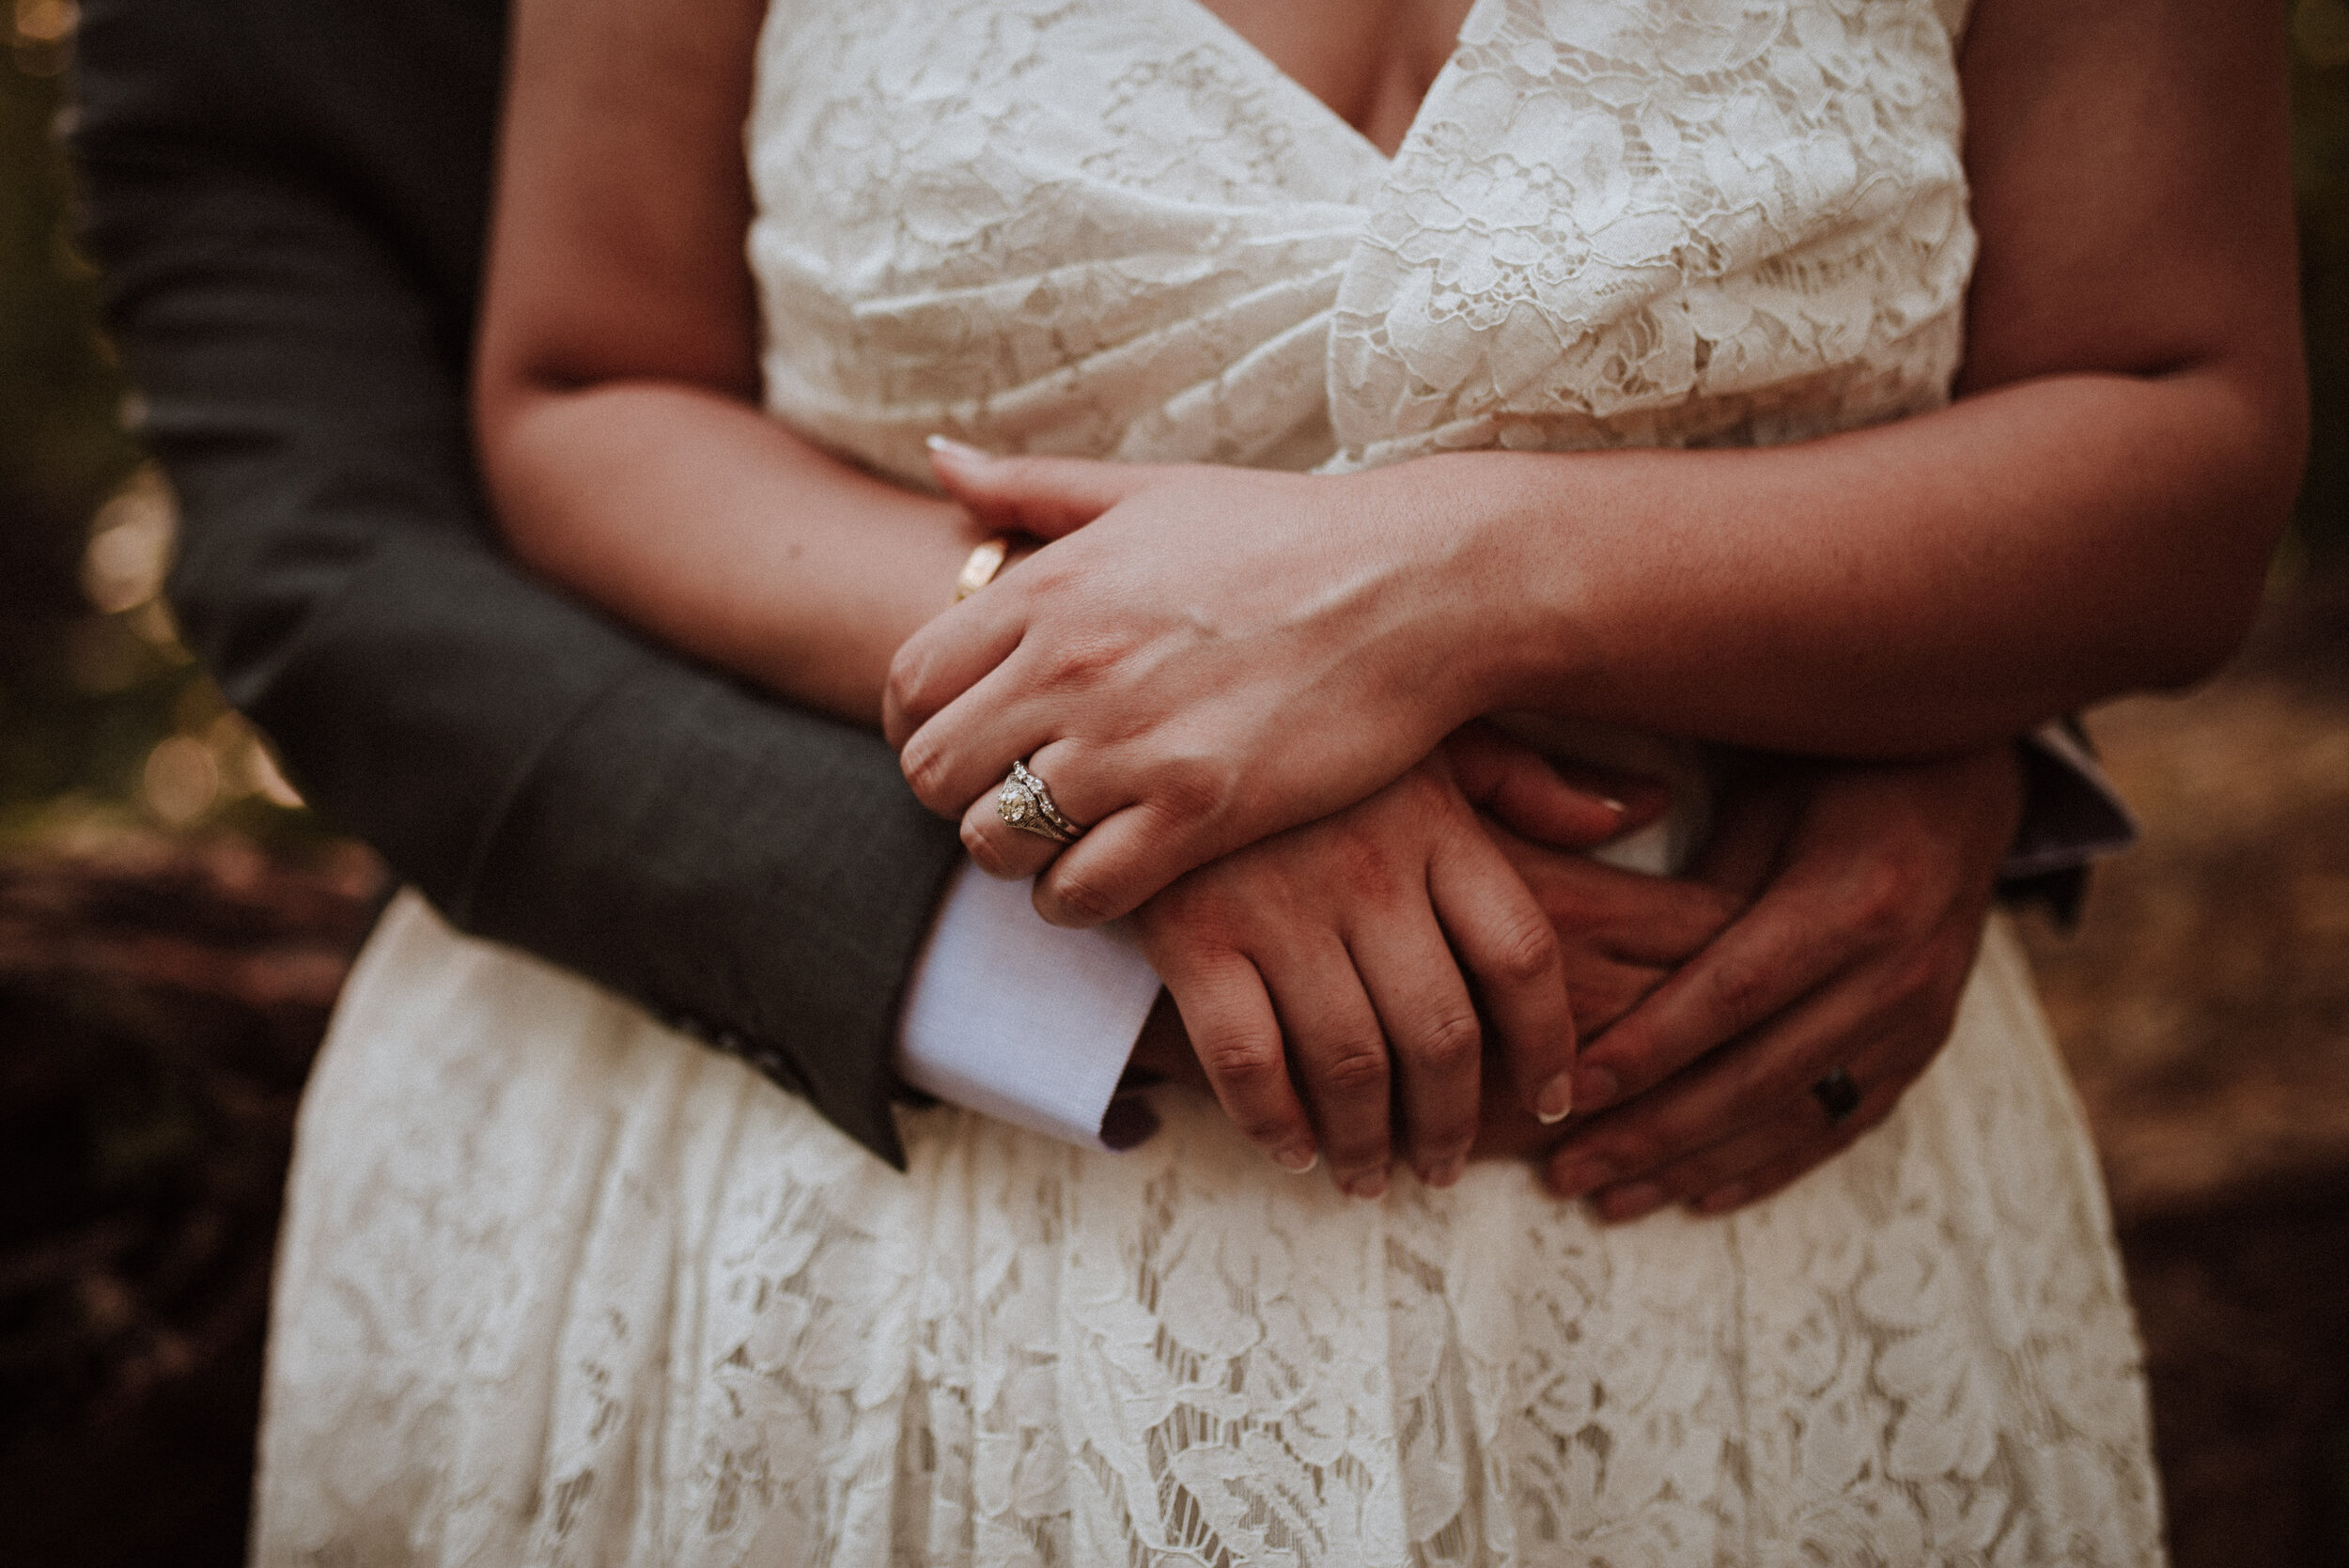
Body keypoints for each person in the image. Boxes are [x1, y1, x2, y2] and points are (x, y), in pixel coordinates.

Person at [64, 0, 2242, 1560]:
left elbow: (2174, 425)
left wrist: (1452, 589)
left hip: (1735, 1219)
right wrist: (1085, 722)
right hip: (844, 1238)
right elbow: (550, 406)